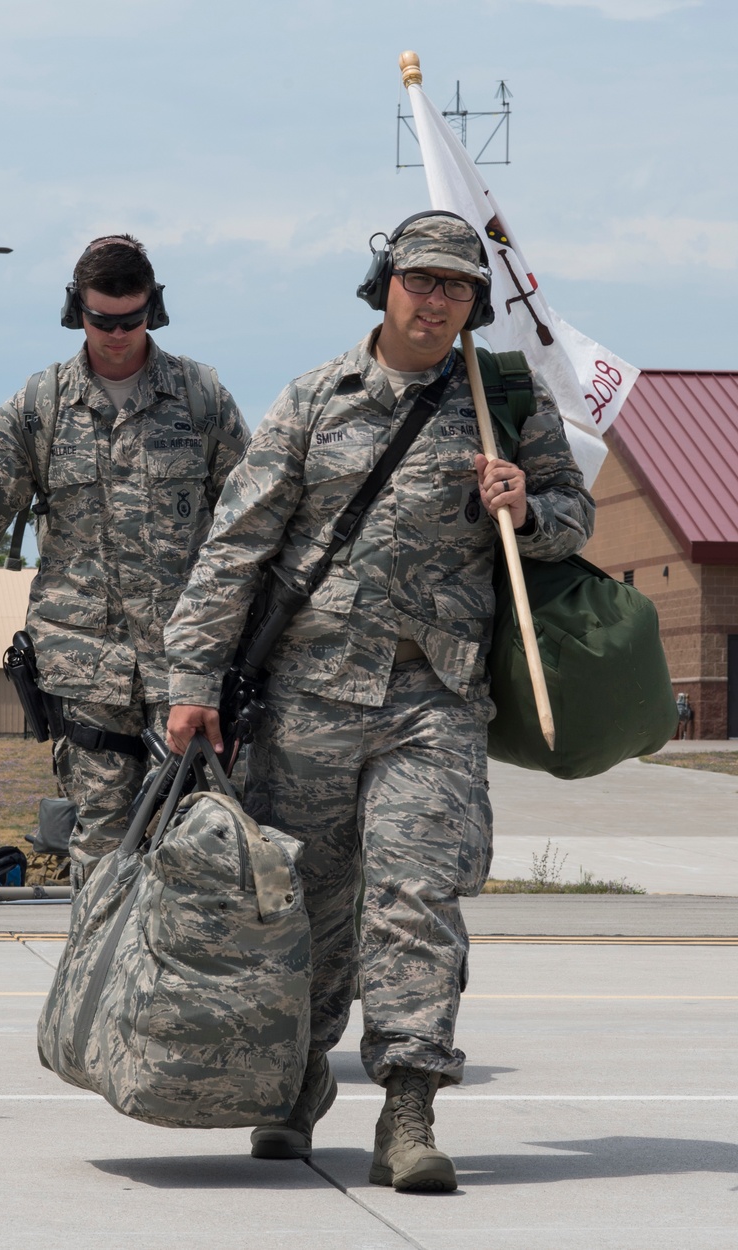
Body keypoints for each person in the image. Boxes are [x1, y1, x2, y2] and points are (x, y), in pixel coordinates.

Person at [164, 212, 595, 1192]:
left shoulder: (502, 404)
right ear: (383, 284)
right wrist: (191, 680)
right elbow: (236, 544)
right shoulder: (317, 399)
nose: (436, 298)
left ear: (473, 304)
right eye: (419, 279)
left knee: (415, 902)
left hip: (432, 700)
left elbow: (572, 519)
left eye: (455, 285)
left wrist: (524, 505)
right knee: (306, 910)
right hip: (308, 699)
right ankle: (294, 1083)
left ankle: (407, 1109)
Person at [0, 235, 250, 886]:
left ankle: (171, 992)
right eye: (101, 320)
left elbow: (252, 529)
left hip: (188, 676)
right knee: (103, 869)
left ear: (154, 310)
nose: (117, 335)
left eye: (132, 319)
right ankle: (101, 988)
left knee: (198, 867)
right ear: (75, 311)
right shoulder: (41, 408)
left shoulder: (202, 400)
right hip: (87, 683)